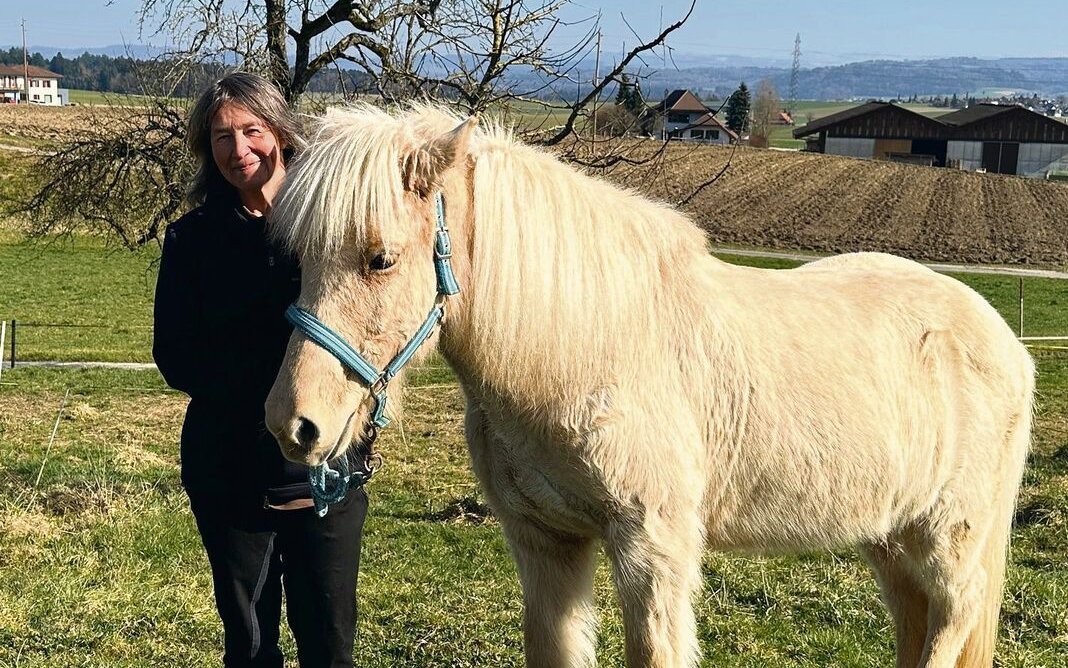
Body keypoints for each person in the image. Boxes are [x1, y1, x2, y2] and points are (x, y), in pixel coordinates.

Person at [153, 72, 368, 668]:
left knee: (329, 644)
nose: (239, 149)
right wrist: (266, 389)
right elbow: (174, 354)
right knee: (249, 646)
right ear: (206, 148)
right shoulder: (191, 239)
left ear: (279, 131)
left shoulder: (329, 229)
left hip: (324, 474)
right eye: (221, 137)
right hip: (229, 471)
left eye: (252, 130)